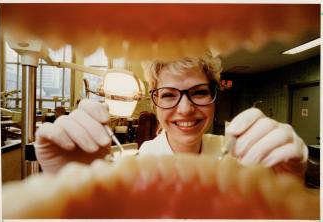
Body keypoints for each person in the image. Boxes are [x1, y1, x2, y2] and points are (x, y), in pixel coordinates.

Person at [34, 53, 308, 178]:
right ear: (154, 102)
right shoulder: (131, 172)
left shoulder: (244, 160)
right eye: (168, 94)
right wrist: (67, 194)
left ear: (214, 96)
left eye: (199, 92)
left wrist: (286, 190)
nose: (186, 109)